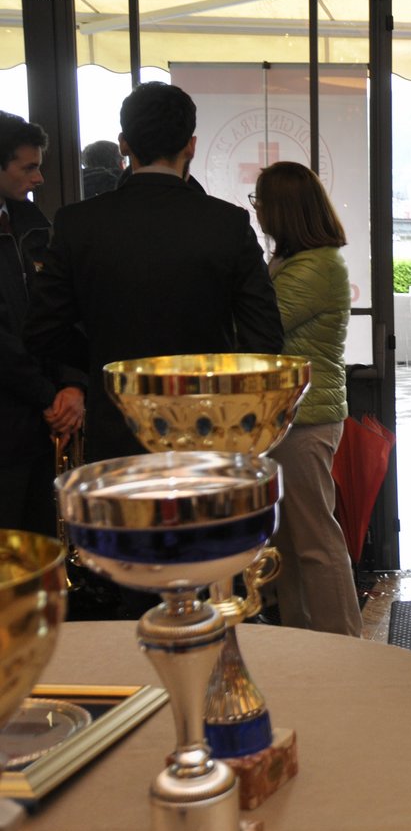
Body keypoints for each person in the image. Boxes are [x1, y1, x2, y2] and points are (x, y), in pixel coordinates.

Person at [28, 82, 284, 465]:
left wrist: (107, 362)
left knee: (124, 524)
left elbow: (42, 330)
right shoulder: (227, 224)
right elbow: (266, 337)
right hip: (206, 424)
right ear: (191, 146)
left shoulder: (77, 224)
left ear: (123, 144)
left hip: (117, 423)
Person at [253, 161, 363, 637]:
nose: (256, 214)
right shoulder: (294, 260)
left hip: (307, 418)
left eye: (259, 204)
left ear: (281, 211)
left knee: (315, 538)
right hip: (289, 417)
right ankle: (303, 640)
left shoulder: (316, 266)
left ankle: (343, 642)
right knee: (290, 540)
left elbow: (260, 329)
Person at [0, 111, 82, 536]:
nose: (39, 180)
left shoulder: (35, 227)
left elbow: (60, 311)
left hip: (38, 424)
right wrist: (48, 395)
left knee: (39, 554)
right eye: (28, 167)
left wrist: (70, 384)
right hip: (14, 419)